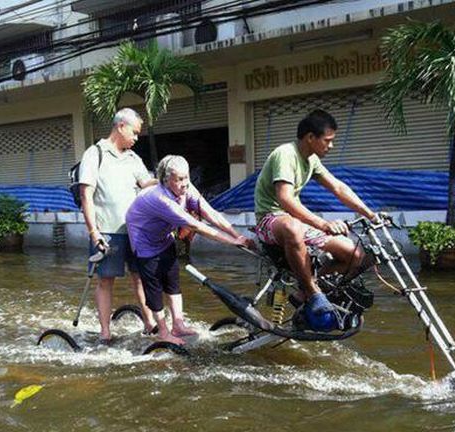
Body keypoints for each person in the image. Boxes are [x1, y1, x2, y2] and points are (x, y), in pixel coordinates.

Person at [254, 109, 378, 328]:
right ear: (310, 137)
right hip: (270, 220)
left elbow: (338, 187)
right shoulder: (286, 154)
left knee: (355, 255)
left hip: (293, 222)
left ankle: (305, 290)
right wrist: (323, 224)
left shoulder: (311, 160)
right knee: (293, 227)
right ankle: (313, 291)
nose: (331, 146)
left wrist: (370, 213)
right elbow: (285, 199)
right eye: (327, 141)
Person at [126, 155, 255, 345]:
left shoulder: (186, 189)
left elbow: (209, 213)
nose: (185, 183)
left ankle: (178, 324)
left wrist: (237, 235)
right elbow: (197, 226)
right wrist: (232, 242)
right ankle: (163, 331)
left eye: (186, 177)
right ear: (165, 180)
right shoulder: (160, 198)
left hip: (163, 237)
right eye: (179, 179)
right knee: (154, 287)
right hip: (144, 241)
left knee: (172, 281)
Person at [79, 108, 158, 343]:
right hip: (107, 231)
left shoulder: (134, 158)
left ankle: (150, 323)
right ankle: (105, 332)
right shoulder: (95, 154)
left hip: (136, 231)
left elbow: (146, 184)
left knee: (141, 277)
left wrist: (167, 178)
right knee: (105, 280)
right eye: (134, 133)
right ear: (121, 126)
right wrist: (94, 233)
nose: (136, 138)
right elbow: (86, 195)